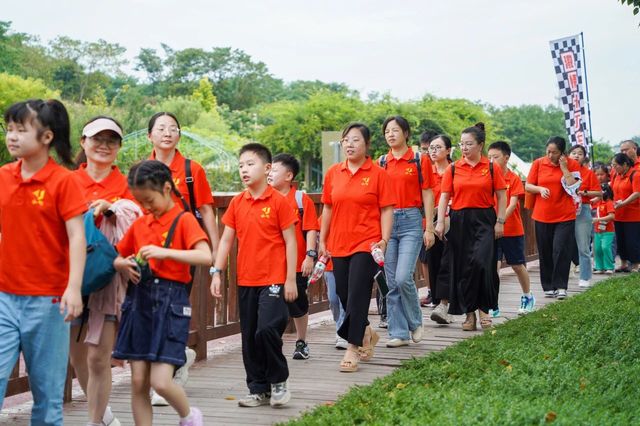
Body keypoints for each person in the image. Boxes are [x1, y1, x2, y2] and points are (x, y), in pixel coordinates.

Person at [0, 99, 86, 424]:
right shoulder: (3, 177)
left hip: (49, 301)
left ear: (47, 137)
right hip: (4, 296)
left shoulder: (64, 181)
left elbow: (77, 237)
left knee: (47, 397)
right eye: (9, 129)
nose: (12, 136)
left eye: (21, 130)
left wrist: (73, 288)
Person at [112, 160, 211, 426]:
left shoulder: (184, 219)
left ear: (167, 188)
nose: (145, 207)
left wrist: (165, 252)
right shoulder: (141, 224)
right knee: (138, 381)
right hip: (139, 303)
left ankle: (189, 416)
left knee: (161, 381)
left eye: (149, 200)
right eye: (140, 201)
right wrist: (124, 264)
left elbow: (205, 255)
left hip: (171, 303)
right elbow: (117, 256)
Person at [210, 143, 298, 408]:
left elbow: (291, 242)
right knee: (249, 336)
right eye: (240, 166)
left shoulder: (279, 202)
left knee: (267, 329)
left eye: (250, 164)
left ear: (267, 168)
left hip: (273, 279)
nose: (244, 170)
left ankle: (279, 380)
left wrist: (290, 279)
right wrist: (217, 272)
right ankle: (258, 389)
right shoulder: (238, 202)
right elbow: (226, 241)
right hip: (246, 279)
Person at [70, 116, 141, 426]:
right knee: (77, 356)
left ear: (119, 147)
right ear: (83, 142)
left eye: (111, 140)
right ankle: (104, 416)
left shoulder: (129, 185)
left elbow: (145, 225)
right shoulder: (66, 181)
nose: (103, 145)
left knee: (98, 357)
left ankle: (95, 421)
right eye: (97, 138)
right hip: (70, 277)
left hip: (111, 280)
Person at [147, 112, 219, 405]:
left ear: (179, 135)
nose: (167, 133)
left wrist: (215, 253)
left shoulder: (192, 170)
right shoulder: (142, 168)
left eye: (173, 128)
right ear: (150, 134)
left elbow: (207, 211)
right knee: (151, 313)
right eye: (161, 128)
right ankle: (178, 357)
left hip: (183, 254)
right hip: (149, 254)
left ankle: (169, 375)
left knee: (171, 311)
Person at [319, 123, 395, 372]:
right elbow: (328, 207)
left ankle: (352, 348)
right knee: (343, 293)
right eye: (346, 141)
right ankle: (365, 332)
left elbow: (386, 209)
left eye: (355, 140)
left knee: (358, 293)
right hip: (338, 243)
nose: (350, 145)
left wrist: (383, 239)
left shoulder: (378, 174)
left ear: (367, 145)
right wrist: (323, 239)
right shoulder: (333, 173)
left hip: (367, 242)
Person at [435, 123, 506, 331]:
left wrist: (500, 221)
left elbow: (501, 195)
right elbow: (444, 196)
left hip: (484, 219)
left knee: (482, 263)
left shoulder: (491, 167)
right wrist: (440, 222)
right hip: (460, 220)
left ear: (480, 145)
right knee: (464, 268)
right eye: (462, 144)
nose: (464, 148)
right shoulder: (454, 168)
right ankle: (469, 315)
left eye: (469, 144)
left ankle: (484, 309)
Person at [378, 116, 435, 347]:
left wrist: (429, 227)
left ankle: (415, 321)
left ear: (406, 133)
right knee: (391, 282)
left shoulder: (420, 160)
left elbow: (428, 193)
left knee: (403, 278)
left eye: (395, 130)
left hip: (412, 219)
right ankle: (398, 332)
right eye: (387, 132)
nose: (391, 134)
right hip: (387, 222)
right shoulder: (382, 162)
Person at [269, 153, 319, 359]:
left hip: (297, 263)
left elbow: (310, 230)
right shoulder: (265, 198)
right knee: (272, 302)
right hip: (271, 264)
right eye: (269, 170)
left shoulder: (300, 199)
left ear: (289, 176)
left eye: (274, 170)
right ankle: (273, 342)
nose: (269, 174)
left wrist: (309, 256)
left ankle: (302, 341)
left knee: (297, 304)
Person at [525, 136, 580, 299]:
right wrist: (540, 189)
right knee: (546, 251)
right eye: (548, 151)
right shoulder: (538, 163)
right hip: (542, 215)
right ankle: (548, 286)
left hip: (565, 215)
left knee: (561, 250)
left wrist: (564, 168)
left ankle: (561, 286)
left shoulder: (572, 164)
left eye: (554, 152)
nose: (550, 155)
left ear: (562, 152)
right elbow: (528, 185)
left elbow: (574, 188)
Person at [487, 141, 535, 314]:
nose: (491, 160)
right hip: (491, 231)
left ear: (506, 158)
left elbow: (513, 204)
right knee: (493, 266)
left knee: (517, 265)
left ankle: (527, 295)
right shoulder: (487, 177)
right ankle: (493, 302)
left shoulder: (513, 178)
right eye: (489, 157)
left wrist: (499, 221)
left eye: (496, 157)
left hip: (512, 230)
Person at [426, 135, 455, 324]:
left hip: (451, 222)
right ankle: (439, 303)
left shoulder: (455, 170)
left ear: (448, 151)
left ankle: (445, 304)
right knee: (433, 262)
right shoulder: (426, 172)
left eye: (438, 147)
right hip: (429, 223)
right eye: (431, 147)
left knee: (448, 262)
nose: (433, 151)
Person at [567, 145, 601, 287]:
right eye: (573, 153)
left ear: (584, 157)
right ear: (568, 155)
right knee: (563, 245)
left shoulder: (588, 173)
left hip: (583, 210)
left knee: (583, 245)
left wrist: (585, 193)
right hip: (564, 210)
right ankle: (563, 276)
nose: (576, 156)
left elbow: (599, 193)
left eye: (580, 154)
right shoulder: (563, 171)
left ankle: (585, 277)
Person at [610, 153, 640, 272]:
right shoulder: (616, 175)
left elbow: (637, 193)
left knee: (632, 241)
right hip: (619, 214)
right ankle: (623, 263)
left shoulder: (635, 174)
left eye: (616, 165)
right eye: (612, 165)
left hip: (633, 215)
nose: (614, 168)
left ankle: (636, 264)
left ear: (625, 164)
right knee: (621, 240)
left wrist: (624, 203)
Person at [418, 130, 438, 308]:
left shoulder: (448, 168)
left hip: (444, 221)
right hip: (422, 221)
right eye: (424, 149)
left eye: (431, 148)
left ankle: (444, 294)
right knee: (424, 259)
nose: (428, 153)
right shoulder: (419, 166)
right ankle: (431, 291)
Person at [592, 184, 615, 274]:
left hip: (608, 231)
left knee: (605, 247)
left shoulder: (608, 202)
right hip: (598, 230)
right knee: (597, 248)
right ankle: (599, 267)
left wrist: (598, 219)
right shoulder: (599, 202)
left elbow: (611, 216)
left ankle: (609, 266)